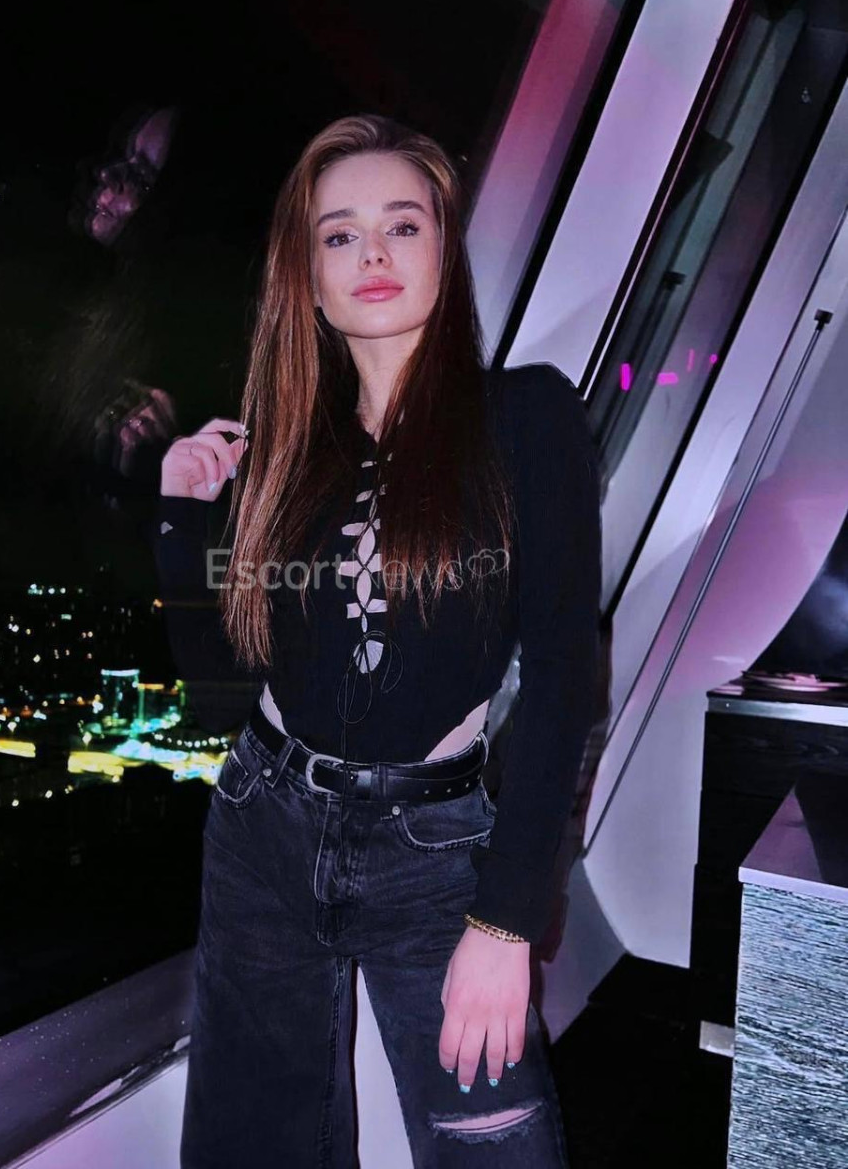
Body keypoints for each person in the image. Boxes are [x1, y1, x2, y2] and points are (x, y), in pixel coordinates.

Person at [153, 113, 601, 1168]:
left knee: (496, 1147)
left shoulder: (526, 417)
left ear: (442, 252)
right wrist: (180, 522)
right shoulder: (285, 454)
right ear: (308, 280)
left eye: (402, 225)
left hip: (434, 855)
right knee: (251, 1151)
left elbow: (564, 676)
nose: (373, 255)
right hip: (263, 831)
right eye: (339, 235)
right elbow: (216, 694)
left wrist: (505, 921)